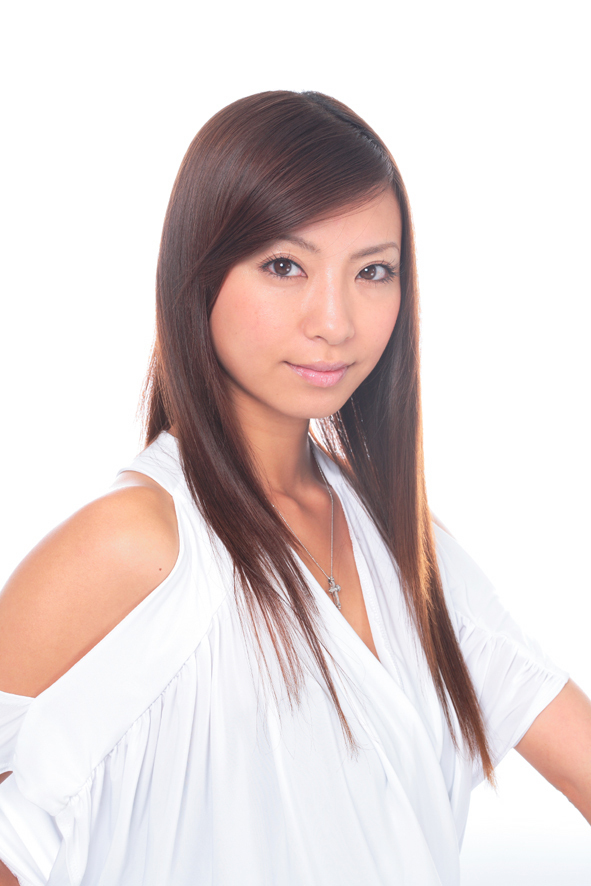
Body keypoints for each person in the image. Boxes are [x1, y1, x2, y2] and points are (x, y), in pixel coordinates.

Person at [0, 90, 589, 886]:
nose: (334, 321)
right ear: (199, 273)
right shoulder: (133, 543)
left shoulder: (398, 540)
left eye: (372, 271)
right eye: (284, 266)